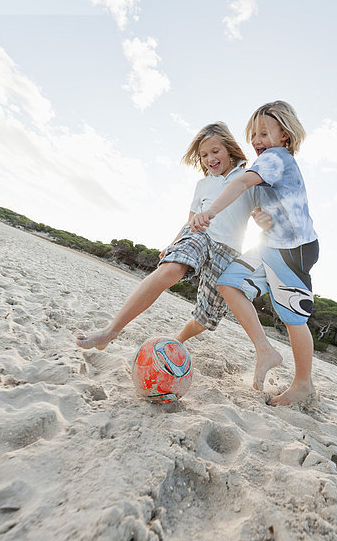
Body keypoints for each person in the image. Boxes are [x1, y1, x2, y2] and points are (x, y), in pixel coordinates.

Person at [76, 122, 280, 389]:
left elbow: (259, 214)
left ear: (230, 150)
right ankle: (110, 331)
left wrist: (264, 220)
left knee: (205, 319)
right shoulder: (203, 184)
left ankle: (177, 340)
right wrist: (173, 244)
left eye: (215, 151)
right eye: (204, 155)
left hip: (229, 251)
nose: (209, 159)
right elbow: (191, 220)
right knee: (170, 269)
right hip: (200, 235)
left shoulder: (247, 177)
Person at [190, 101, 319, 406]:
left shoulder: (276, 157)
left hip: (293, 249)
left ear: (284, 135)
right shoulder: (267, 164)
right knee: (228, 283)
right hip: (271, 244)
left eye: (264, 132)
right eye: (253, 134)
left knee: (293, 317)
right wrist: (263, 217)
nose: (257, 140)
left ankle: (303, 384)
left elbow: (244, 181)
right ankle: (265, 350)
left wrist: (209, 211)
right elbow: (265, 207)